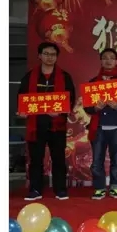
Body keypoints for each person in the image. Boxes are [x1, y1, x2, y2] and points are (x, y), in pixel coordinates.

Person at [17, 42, 76, 201]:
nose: (50, 57)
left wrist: (61, 111)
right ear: (40, 56)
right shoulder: (30, 77)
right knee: (36, 160)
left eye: (53, 54)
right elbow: (21, 97)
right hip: (36, 125)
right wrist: (22, 111)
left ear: (57, 57)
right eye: (46, 54)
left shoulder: (64, 76)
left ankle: (60, 190)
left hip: (57, 125)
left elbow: (70, 99)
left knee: (58, 159)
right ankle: (35, 190)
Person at [83, 48, 117, 200]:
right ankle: (99, 188)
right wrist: (95, 108)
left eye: (112, 58)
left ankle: (115, 187)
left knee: (116, 160)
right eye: (105, 58)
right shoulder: (94, 83)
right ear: (101, 61)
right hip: (98, 127)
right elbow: (87, 107)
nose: (108, 60)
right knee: (97, 160)